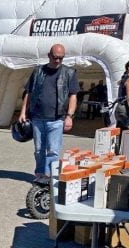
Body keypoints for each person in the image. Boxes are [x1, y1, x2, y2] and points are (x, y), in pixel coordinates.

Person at [19, 43, 79, 184]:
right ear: (49, 55)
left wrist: (69, 116)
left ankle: (49, 176)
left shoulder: (69, 73)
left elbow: (73, 96)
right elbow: (29, 92)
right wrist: (23, 112)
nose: (57, 60)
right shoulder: (38, 71)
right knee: (39, 150)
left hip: (57, 119)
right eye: (55, 57)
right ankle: (40, 173)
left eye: (61, 58)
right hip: (37, 118)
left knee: (53, 150)